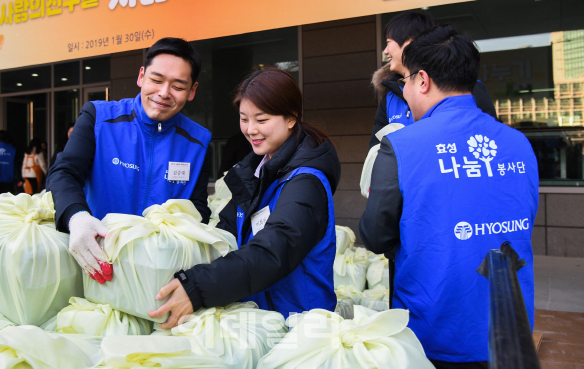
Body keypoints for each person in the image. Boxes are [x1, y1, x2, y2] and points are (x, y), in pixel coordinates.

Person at [359, 25, 538, 368]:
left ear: (422, 80)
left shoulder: (401, 146)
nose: (405, 90)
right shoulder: (519, 143)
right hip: (509, 327)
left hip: (434, 329)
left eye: (407, 80)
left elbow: (375, 235)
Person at [148, 67, 341, 329]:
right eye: (244, 119)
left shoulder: (305, 183)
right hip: (259, 322)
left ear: (291, 118)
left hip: (299, 329)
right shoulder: (256, 172)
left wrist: (198, 287)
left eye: (261, 120)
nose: (251, 130)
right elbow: (222, 237)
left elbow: (272, 252)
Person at [47, 37, 212, 285]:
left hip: (160, 273)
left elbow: (198, 207)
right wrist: (76, 217)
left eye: (178, 86)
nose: (164, 93)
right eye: (156, 80)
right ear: (141, 77)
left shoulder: (198, 141)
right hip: (96, 262)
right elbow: (64, 173)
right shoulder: (98, 117)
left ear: (192, 91)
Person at [369, 11, 497, 151]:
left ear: (411, 42)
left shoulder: (464, 87)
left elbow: (489, 139)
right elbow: (377, 151)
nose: (385, 51)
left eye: (388, 42)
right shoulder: (389, 99)